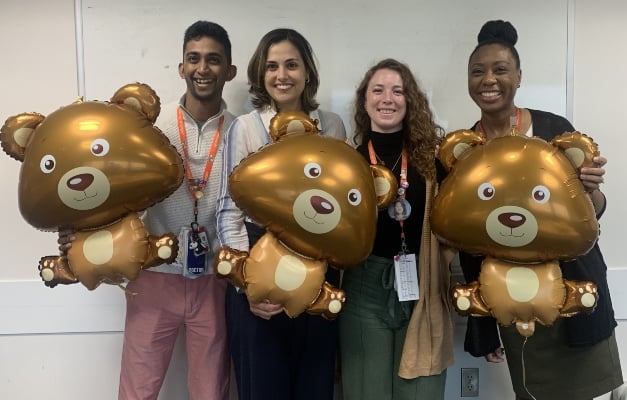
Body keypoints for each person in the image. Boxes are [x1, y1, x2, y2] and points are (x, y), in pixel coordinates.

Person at [460, 19, 623, 400]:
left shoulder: (554, 130)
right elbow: (467, 242)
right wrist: (483, 325)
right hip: (515, 300)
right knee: (531, 392)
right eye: (478, 71)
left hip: (574, 289)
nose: (489, 80)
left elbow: (593, 212)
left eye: (501, 70)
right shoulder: (467, 149)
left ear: (518, 76)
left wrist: (591, 189)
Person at [216, 28, 346, 400]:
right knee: (262, 387)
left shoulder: (332, 126)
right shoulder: (244, 128)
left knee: (315, 385)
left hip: (318, 265)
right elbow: (229, 212)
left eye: (291, 65)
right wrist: (248, 286)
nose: (282, 75)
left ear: (307, 73)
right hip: (259, 264)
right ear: (261, 74)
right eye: (272, 66)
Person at [114, 20, 237, 400]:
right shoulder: (150, 127)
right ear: (181, 67)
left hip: (215, 281)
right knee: (138, 390)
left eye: (213, 60)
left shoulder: (241, 132)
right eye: (194, 59)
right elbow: (115, 190)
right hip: (154, 277)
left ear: (229, 70)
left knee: (210, 391)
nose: (203, 69)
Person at [338, 58, 455, 400]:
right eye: (378, 90)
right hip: (362, 288)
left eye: (398, 90)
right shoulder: (346, 161)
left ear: (411, 101)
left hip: (423, 285)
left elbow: (458, 225)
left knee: (421, 388)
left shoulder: (434, 162)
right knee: (365, 390)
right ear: (364, 101)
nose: (387, 98)